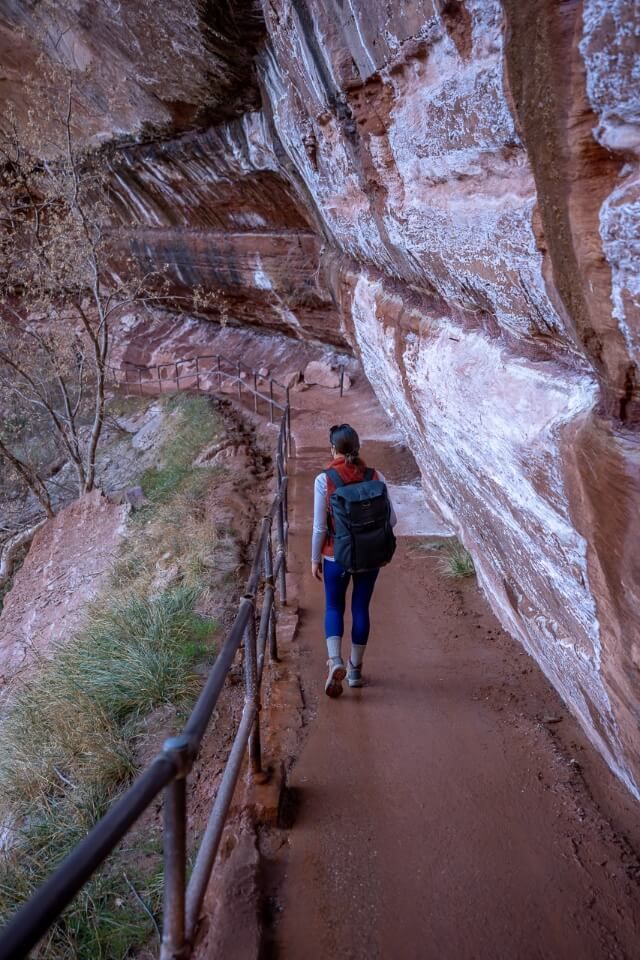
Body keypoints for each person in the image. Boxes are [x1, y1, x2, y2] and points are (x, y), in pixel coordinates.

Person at [311, 423, 397, 697]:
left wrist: (315, 559)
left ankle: (334, 661)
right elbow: (392, 519)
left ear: (333, 448)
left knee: (334, 607)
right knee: (361, 608)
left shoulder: (325, 480)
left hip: (336, 554)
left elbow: (319, 527)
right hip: (370, 556)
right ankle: (355, 670)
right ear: (358, 447)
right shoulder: (375, 475)